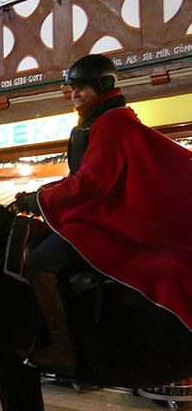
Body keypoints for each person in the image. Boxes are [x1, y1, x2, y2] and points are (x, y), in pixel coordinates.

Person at [14, 53, 192, 373]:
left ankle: (63, 350)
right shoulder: (98, 120)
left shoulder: (111, 122)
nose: (75, 95)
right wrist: (38, 195)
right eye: (72, 89)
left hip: (105, 217)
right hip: (96, 211)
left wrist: (39, 202)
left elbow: (92, 182)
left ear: (103, 86)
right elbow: (76, 177)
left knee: (39, 261)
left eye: (82, 88)